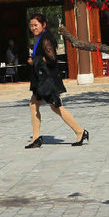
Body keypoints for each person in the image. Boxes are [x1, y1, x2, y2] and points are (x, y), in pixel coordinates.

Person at [24, 13, 88, 149]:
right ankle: (36, 138)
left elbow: (52, 59)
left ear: (44, 25)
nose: (33, 28)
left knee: (56, 107)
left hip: (48, 80)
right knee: (33, 104)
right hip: (41, 79)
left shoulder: (46, 39)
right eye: (31, 26)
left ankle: (80, 131)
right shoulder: (39, 38)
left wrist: (34, 60)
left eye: (36, 25)